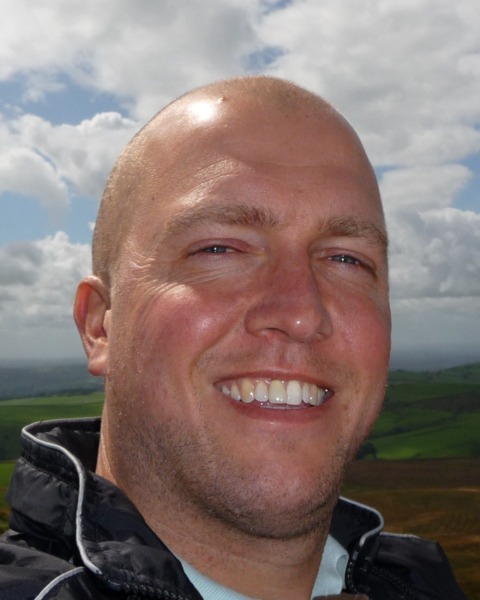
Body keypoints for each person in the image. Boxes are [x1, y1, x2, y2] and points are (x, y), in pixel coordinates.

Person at [0, 76, 466, 600]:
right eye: (220, 249)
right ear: (99, 325)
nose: (301, 314)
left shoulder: (422, 580)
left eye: (346, 259)